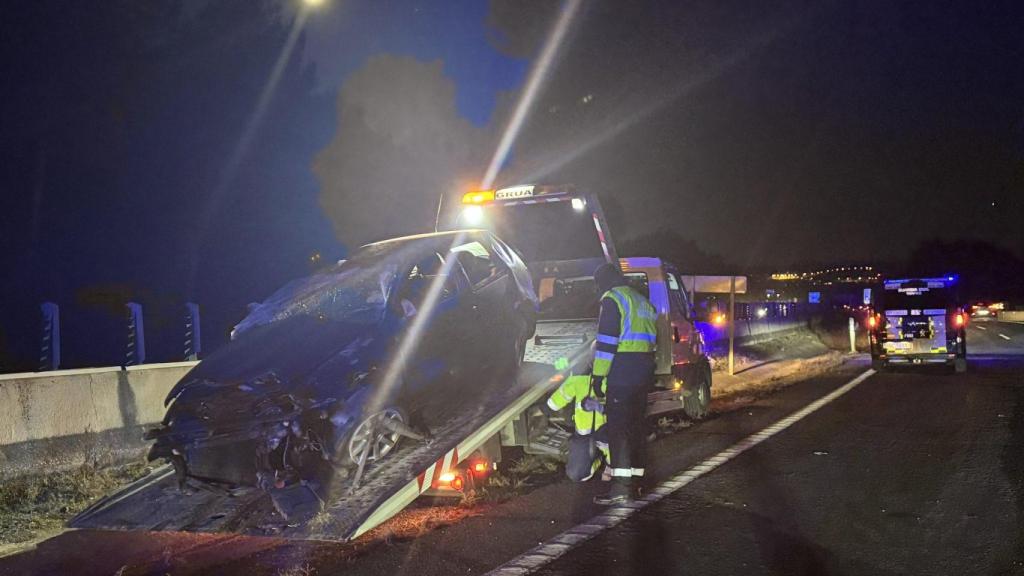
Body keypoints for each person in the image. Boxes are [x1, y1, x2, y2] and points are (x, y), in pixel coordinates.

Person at [590, 262, 657, 505]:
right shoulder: (642, 301)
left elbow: (607, 343)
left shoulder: (613, 300)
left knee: (618, 430)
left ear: (604, 282)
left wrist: (598, 376)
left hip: (622, 371)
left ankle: (620, 487)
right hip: (643, 370)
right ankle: (637, 483)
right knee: (636, 427)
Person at [546, 372, 610, 481]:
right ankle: (598, 459)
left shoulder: (616, 378)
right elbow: (559, 398)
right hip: (584, 437)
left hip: (609, 433)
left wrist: (610, 466)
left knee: (618, 462)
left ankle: (606, 462)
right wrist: (546, 408)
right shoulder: (580, 376)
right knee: (576, 473)